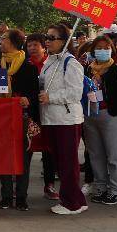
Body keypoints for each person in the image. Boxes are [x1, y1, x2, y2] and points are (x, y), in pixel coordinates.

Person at [38, 23, 88, 215]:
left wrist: (51, 97)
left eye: (52, 38)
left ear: (64, 41)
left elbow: (75, 92)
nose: (48, 41)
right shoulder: (50, 61)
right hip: (51, 118)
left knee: (68, 163)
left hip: (67, 119)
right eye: (47, 37)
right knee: (60, 162)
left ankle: (71, 203)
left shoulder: (71, 63)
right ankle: (76, 199)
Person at [82, 34, 117, 206]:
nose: (103, 51)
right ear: (93, 51)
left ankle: (116, 190)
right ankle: (100, 186)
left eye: (106, 48)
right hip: (90, 115)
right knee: (95, 154)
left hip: (111, 116)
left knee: (115, 155)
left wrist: (103, 83)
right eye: (99, 48)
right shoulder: (87, 69)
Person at [0, 29, 40, 210]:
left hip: (22, 118)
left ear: (14, 42)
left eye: (4, 38)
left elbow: (34, 93)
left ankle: (22, 197)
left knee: (23, 159)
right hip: (1, 118)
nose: (0, 42)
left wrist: (27, 99)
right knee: (4, 158)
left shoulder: (28, 66)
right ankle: (6, 196)